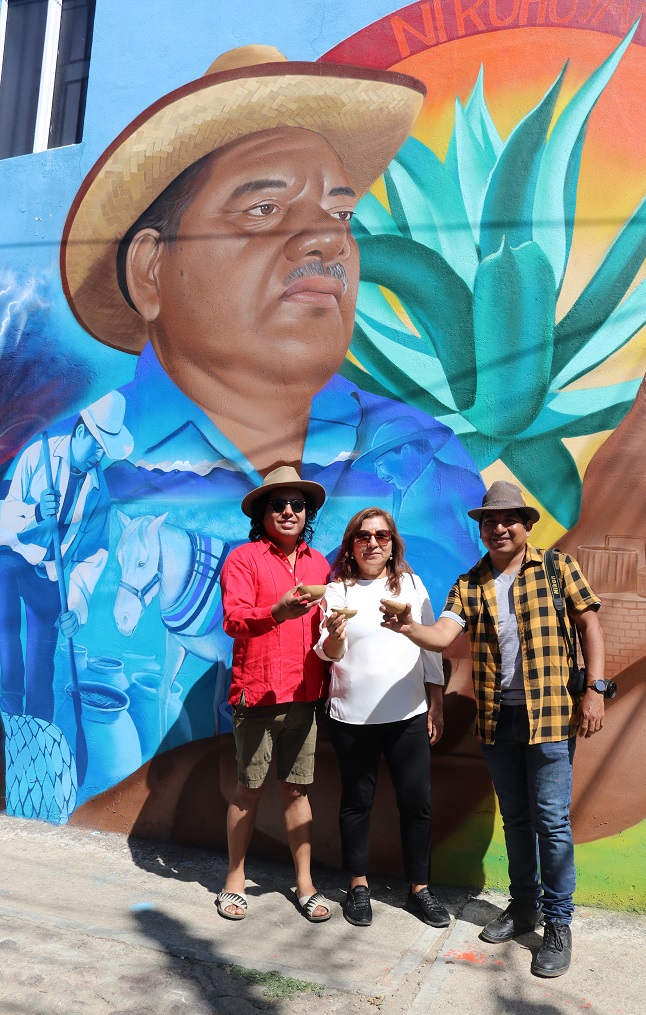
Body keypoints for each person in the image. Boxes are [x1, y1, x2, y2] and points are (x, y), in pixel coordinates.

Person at [60, 43, 485, 573]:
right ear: (151, 269)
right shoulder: (62, 474)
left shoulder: (419, 458)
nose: (330, 238)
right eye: (264, 208)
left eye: (341, 213)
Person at [382, 480, 607, 977]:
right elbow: (442, 633)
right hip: (497, 719)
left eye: (508, 519)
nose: (499, 528)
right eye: (490, 521)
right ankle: (524, 905)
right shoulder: (469, 583)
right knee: (517, 820)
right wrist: (408, 628)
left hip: (551, 716)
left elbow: (590, 624)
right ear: (480, 529)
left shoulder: (557, 567)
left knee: (551, 822)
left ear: (526, 525)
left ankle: (558, 922)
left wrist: (595, 689)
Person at [315, 507, 450, 928]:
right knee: (357, 802)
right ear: (350, 546)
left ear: (393, 544)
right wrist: (334, 637)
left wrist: (436, 704)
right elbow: (329, 652)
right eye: (363, 536)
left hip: (408, 714)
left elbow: (431, 647)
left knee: (417, 803)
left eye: (382, 536)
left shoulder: (411, 585)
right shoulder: (336, 591)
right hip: (351, 718)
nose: (373, 543)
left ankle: (420, 888)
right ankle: (357, 886)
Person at [217, 466, 332, 923]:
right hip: (259, 694)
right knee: (248, 790)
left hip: (305, 695)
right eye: (278, 504)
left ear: (307, 514)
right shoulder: (244, 559)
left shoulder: (319, 564)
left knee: (297, 791)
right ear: (262, 514)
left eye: (297, 505)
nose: (288, 511)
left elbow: (326, 628)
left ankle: (305, 884)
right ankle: (234, 880)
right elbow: (234, 619)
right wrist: (276, 612)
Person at [0, 392, 133, 721]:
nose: (100, 457)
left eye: (105, 451)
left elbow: (93, 554)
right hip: (14, 561)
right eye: (98, 446)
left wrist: (75, 606)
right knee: (6, 635)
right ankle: (8, 709)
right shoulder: (38, 455)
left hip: (52, 575)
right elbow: (4, 515)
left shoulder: (98, 491)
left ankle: (39, 730)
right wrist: (34, 512)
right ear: (81, 431)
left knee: (41, 664)